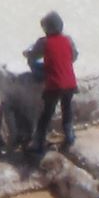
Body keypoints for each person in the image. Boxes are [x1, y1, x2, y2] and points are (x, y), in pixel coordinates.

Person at [24, 11, 78, 154]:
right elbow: (74, 56)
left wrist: (27, 54)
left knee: (47, 114)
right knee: (67, 110)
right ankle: (70, 137)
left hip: (54, 83)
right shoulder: (68, 40)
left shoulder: (43, 42)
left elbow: (33, 56)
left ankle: (38, 144)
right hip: (70, 83)